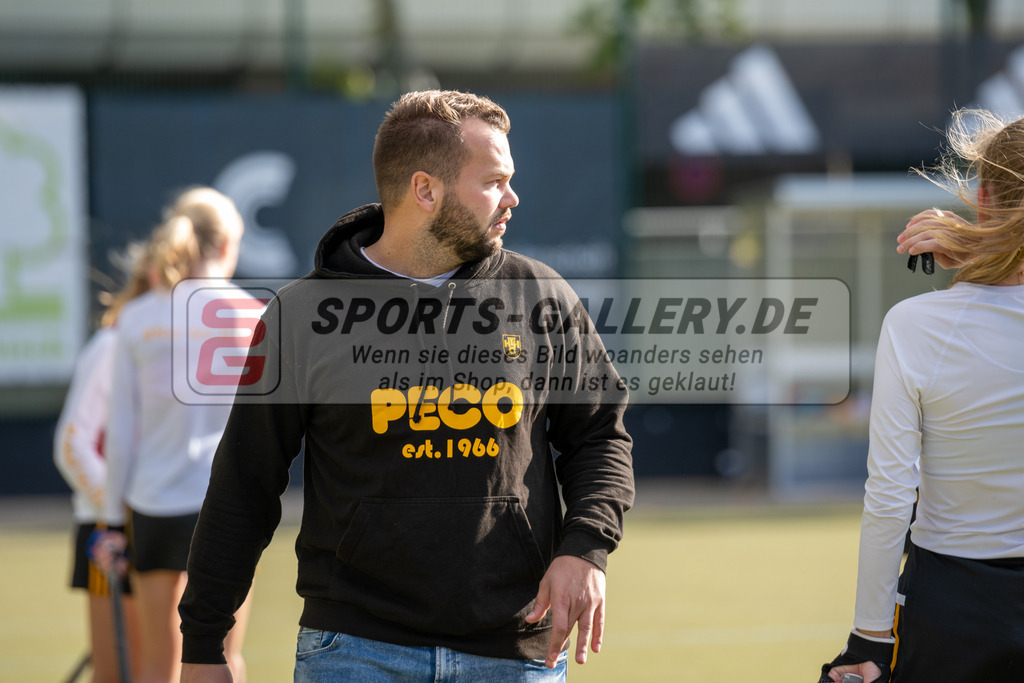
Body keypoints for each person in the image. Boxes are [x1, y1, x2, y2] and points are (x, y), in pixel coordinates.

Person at [178, 89, 635, 682]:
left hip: (513, 653)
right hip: (354, 650)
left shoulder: (541, 296)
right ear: (425, 190)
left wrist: (586, 546)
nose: (512, 198)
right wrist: (204, 647)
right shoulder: (300, 317)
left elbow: (601, 435)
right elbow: (244, 484)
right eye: (493, 181)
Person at [820, 108, 1024, 682]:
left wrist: (869, 637)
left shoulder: (917, 324)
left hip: (953, 606)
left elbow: (889, 494)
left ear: (982, 200)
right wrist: (988, 257)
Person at [94, 187, 256, 683]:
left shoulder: (137, 319)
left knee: (156, 664)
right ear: (228, 245)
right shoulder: (254, 315)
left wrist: (109, 523)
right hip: (229, 506)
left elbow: (120, 432)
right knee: (225, 656)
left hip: (155, 506)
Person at [54, 242, 152, 682]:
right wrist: (120, 512)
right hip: (109, 532)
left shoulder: (175, 344)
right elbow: (72, 445)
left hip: (159, 527)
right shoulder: (112, 344)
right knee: (118, 674)